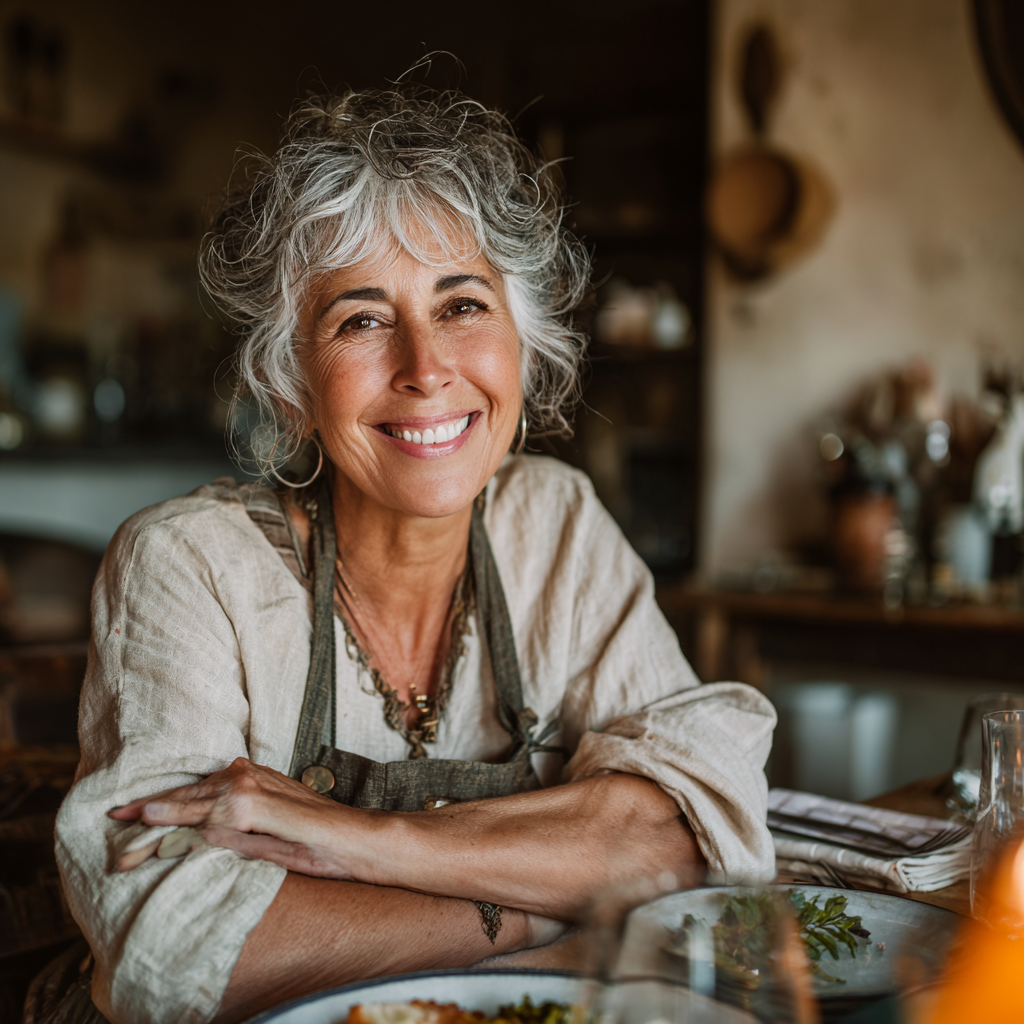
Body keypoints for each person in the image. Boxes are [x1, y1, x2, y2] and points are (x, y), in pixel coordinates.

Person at [51, 84, 776, 1024]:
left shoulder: (553, 524)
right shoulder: (191, 567)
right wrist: (526, 910)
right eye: (360, 319)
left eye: (464, 303)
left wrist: (359, 843)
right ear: (289, 387)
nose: (426, 367)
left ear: (523, 344)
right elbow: (181, 952)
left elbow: (699, 831)